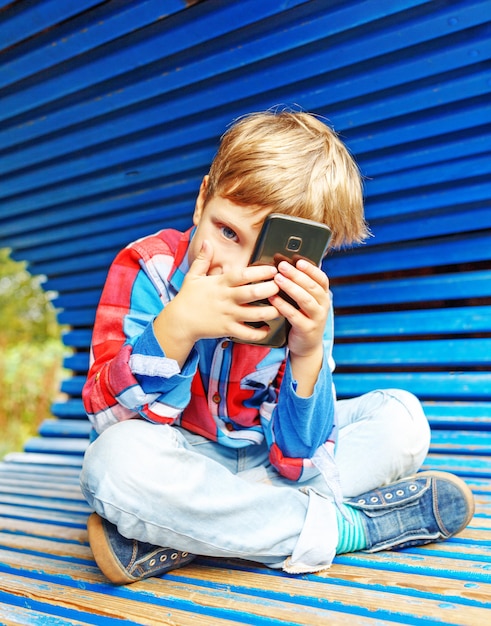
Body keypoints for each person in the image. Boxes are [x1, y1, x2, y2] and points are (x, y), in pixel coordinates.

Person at [80, 110, 474, 585]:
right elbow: (109, 422)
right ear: (203, 198)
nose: (237, 269)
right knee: (114, 465)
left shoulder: (301, 305)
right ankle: (352, 527)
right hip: (179, 455)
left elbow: (297, 456)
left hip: (260, 462)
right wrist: (178, 327)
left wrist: (308, 355)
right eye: (227, 232)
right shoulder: (150, 268)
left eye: (269, 255)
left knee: (401, 419)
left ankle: (185, 531)